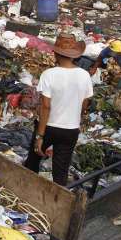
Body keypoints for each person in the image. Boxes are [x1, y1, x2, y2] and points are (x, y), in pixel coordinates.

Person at [24, 33, 93, 186]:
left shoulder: (49, 74)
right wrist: (74, 117)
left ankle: (27, 189)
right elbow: (85, 104)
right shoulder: (85, 75)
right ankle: (57, 201)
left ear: (55, 53)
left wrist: (39, 136)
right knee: (60, 172)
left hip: (49, 127)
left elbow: (46, 106)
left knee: (33, 161)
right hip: (70, 130)